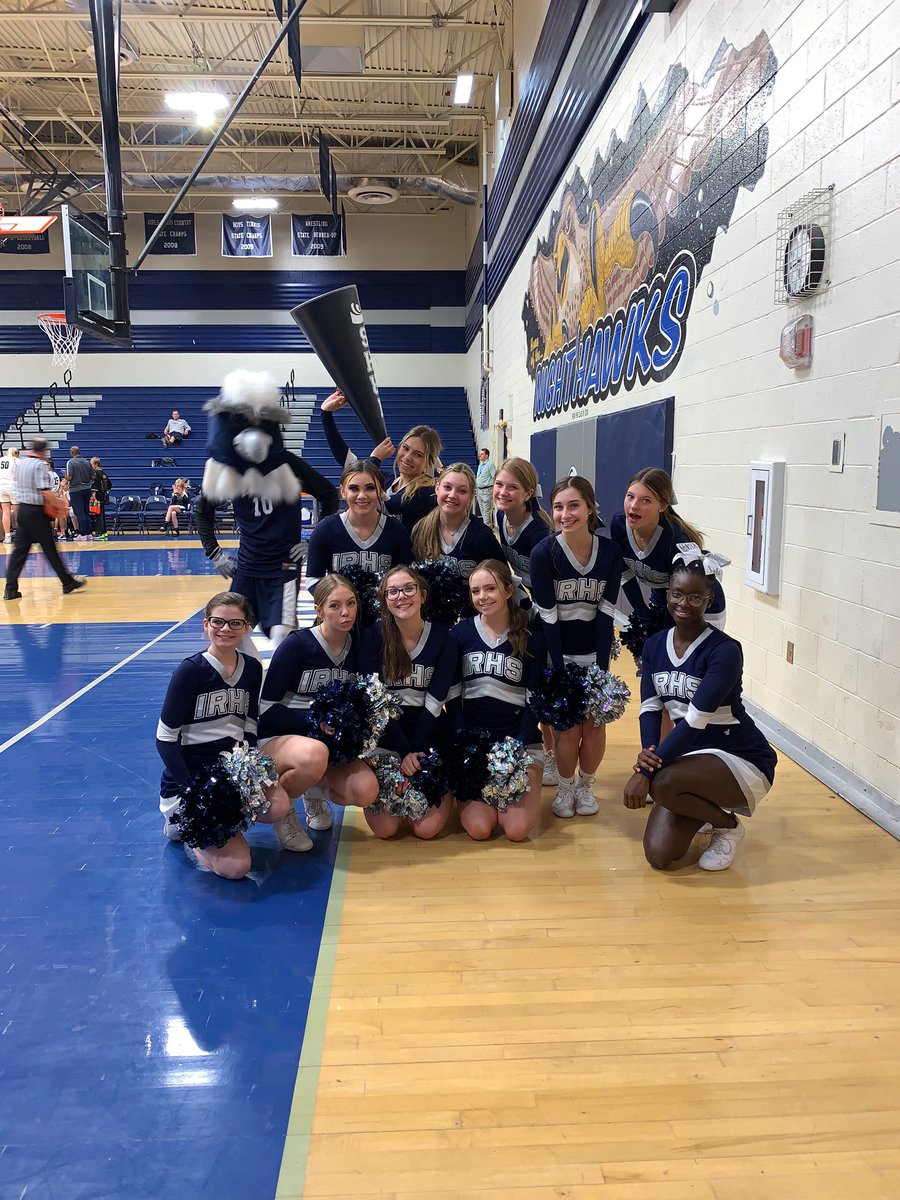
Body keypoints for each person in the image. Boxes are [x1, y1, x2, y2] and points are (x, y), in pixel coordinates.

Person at [623, 552, 776, 872]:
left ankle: (728, 826)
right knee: (659, 854)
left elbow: (695, 720)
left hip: (739, 756)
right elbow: (651, 707)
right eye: (677, 593)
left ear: (709, 599)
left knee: (662, 783)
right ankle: (705, 807)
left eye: (695, 596)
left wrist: (645, 772)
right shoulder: (654, 645)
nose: (684, 603)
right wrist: (648, 752)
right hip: (690, 758)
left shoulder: (724, 650)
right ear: (668, 594)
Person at [157, 591, 311, 878]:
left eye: (235, 623)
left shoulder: (252, 668)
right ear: (205, 624)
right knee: (237, 867)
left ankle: (226, 824)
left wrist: (250, 770)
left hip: (231, 776)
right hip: (192, 784)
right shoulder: (190, 671)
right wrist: (192, 790)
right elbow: (165, 740)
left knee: (278, 805)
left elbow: (250, 724)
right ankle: (182, 824)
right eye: (218, 621)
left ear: (247, 628)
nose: (225, 629)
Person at [530, 475, 623, 818]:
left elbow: (605, 614)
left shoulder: (611, 552)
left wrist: (600, 671)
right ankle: (565, 788)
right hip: (557, 652)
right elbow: (549, 618)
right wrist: (558, 672)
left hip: (592, 651)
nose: (566, 514)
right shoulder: (544, 552)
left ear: (590, 508)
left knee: (594, 724)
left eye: (574, 506)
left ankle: (586, 787)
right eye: (558, 507)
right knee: (565, 727)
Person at [259, 574, 379, 833]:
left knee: (366, 789)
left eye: (351, 603)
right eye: (335, 606)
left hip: (327, 743)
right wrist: (316, 721)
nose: (345, 612)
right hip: (282, 737)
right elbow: (266, 710)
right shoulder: (297, 645)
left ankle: (312, 791)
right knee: (314, 755)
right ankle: (285, 813)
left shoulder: (358, 647)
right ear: (319, 610)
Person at [358, 566, 458, 839]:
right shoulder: (372, 637)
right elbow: (374, 703)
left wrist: (414, 754)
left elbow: (436, 701)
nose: (401, 596)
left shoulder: (444, 638)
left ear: (423, 595)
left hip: (428, 737)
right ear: (385, 600)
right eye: (393, 591)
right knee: (385, 830)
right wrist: (402, 755)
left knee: (426, 830)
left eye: (408, 589)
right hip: (387, 738)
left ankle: (448, 790)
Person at [450, 560, 545, 841]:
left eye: (490, 588)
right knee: (480, 829)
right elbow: (454, 697)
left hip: (520, 743)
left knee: (516, 831)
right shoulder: (461, 633)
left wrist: (516, 746)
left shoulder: (529, 634)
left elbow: (535, 699)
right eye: (475, 591)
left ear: (507, 590)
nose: (482, 597)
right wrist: (463, 743)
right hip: (475, 746)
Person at [609, 467, 726, 628]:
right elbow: (625, 573)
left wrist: (664, 637)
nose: (634, 506)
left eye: (646, 500)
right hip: (664, 595)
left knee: (681, 650)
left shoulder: (674, 541)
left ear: (663, 505)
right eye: (630, 496)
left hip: (700, 606)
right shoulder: (619, 525)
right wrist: (641, 612)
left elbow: (682, 598)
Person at [320, 389, 440, 532]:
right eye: (405, 448)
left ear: (428, 462)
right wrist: (326, 414)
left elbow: (385, 504)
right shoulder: (389, 480)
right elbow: (347, 460)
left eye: (418, 455)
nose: (407, 457)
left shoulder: (426, 492)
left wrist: (375, 459)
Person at [305, 461, 412, 593]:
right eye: (353, 488)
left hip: (384, 612)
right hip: (342, 611)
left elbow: (407, 579)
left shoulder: (397, 531)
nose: (362, 495)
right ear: (343, 491)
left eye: (370, 488)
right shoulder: (325, 529)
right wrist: (335, 599)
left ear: (381, 491)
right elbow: (313, 578)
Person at [4, 437, 86, 600]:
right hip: (36, 511)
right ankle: (67, 582)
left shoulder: (20, 464)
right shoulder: (41, 465)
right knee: (50, 549)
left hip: (23, 510)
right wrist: (61, 506)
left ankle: (10, 589)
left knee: (19, 551)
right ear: (43, 451)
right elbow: (45, 492)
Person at [411, 463, 504, 588]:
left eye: (462, 491)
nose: (453, 495)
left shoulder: (482, 536)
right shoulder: (421, 529)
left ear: (472, 495)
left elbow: (502, 582)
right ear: (437, 487)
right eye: (447, 487)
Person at [491, 457, 554, 593]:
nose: (502, 492)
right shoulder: (501, 515)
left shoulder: (538, 532)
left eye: (512, 487)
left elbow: (548, 582)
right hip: (527, 587)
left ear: (528, 494)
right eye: (499, 484)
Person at [66, 445, 94, 543]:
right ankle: (88, 533)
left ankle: (82, 534)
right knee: (86, 511)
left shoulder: (71, 462)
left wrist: (65, 475)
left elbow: (69, 477)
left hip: (75, 490)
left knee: (79, 512)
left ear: (72, 453)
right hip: (87, 489)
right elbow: (93, 477)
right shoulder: (87, 462)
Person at [90, 456, 111, 541]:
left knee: (98, 515)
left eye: (91, 464)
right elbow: (109, 485)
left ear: (95, 464)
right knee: (102, 514)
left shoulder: (95, 473)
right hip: (103, 495)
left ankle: (100, 533)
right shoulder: (104, 473)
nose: (91, 465)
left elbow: (94, 486)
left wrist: (93, 497)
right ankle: (104, 532)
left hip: (97, 496)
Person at [0, 446, 19, 543]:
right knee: (17, 512)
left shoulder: (1, 459)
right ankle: (20, 534)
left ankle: (7, 537)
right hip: (13, 486)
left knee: (6, 512)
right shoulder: (16, 461)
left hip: (1, 486)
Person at [475, 448, 496, 527]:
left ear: (486, 455)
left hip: (487, 490)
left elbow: (495, 476)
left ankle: (486, 529)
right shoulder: (481, 465)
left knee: (486, 511)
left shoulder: (490, 464)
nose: (480, 455)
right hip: (479, 490)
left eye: (482, 454)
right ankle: (488, 527)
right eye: (480, 454)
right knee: (482, 511)